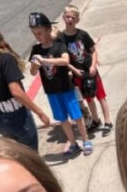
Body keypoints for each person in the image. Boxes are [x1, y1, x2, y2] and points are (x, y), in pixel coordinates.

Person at [0, 17, 50, 150]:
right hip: (18, 117)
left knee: (17, 154)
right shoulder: (5, 59)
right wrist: (39, 112)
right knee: (31, 155)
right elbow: (16, 92)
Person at [28, 12, 92, 158]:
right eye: (34, 34)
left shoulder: (59, 45)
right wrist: (35, 65)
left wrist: (46, 61)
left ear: (49, 30)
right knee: (62, 119)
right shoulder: (36, 50)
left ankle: (86, 140)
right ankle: (73, 143)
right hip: (51, 91)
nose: (37, 36)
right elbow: (32, 73)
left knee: (77, 116)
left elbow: (65, 60)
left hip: (65, 88)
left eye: (40, 33)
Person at [58, 4, 113, 137]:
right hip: (78, 74)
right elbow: (63, 58)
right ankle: (95, 120)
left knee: (100, 96)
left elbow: (93, 51)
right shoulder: (61, 38)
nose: (69, 19)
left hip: (90, 71)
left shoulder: (83, 34)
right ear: (63, 18)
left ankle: (107, 121)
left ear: (77, 20)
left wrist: (93, 65)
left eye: (73, 17)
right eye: (67, 16)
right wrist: (73, 69)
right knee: (88, 98)